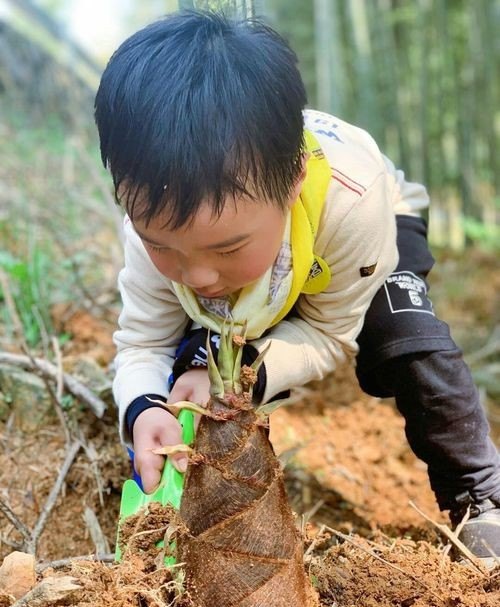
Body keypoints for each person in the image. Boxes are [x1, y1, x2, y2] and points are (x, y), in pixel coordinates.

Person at [94, 10, 500, 565]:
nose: (200, 275)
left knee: (406, 342)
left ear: (291, 185)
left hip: (360, 235)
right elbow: (141, 343)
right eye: (164, 245)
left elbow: (333, 333)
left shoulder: (358, 204)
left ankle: (479, 495)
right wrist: (143, 407)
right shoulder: (152, 226)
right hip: (276, 248)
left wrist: (253, 373)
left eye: (227, 248)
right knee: (191, 356)